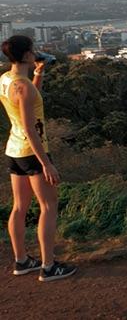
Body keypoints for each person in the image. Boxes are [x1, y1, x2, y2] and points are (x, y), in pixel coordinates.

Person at [1, 35, 76, 281]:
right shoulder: (24, 87)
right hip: (32, 151)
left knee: (20, 207)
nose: (36, 54)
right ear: (25, 55)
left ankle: (21, 261)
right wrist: (46, 163)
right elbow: (30, 126)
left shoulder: (6, 80)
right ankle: (48, 266)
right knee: (48, 206)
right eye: (33, 51)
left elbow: (29, 102)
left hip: (13, 151)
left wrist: (39, 74)